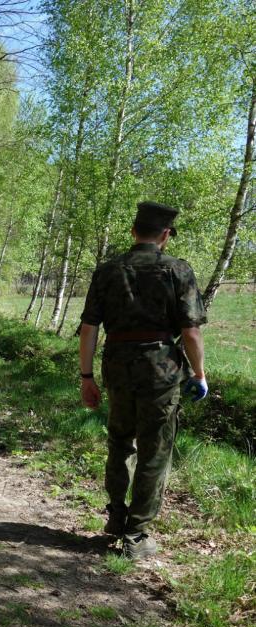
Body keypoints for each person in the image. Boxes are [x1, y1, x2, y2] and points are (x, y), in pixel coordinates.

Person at [78, 201, 207, 560]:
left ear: (133, 231)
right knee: (155, 450)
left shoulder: (107, 271)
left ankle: (116, 516)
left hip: (118, 369)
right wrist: (199, 373)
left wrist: (86, 377)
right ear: (165, 235)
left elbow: (89, 329)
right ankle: (136, 535)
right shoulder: (178, 270)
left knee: (120, 441)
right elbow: (191, 331)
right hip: (160, 372)